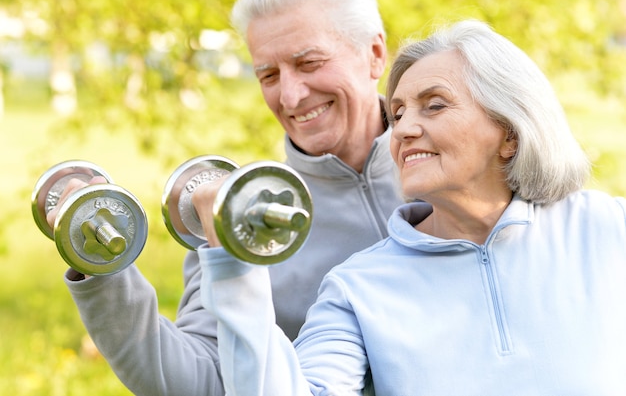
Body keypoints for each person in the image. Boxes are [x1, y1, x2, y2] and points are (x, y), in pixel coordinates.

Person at [198, 19, 626, 395]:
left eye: (434, 105)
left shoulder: (607, 229)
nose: (402, 130)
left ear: (510, 132)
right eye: (398, 113)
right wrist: (236, 267)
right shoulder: (358, 287)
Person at [45, 0, 404, 395]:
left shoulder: (459, 174)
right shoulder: (236, 214)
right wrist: (103, 267)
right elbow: (201, 381)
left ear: (374, 54)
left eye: (308, 63)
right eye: (268, 74)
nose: (289, 96)